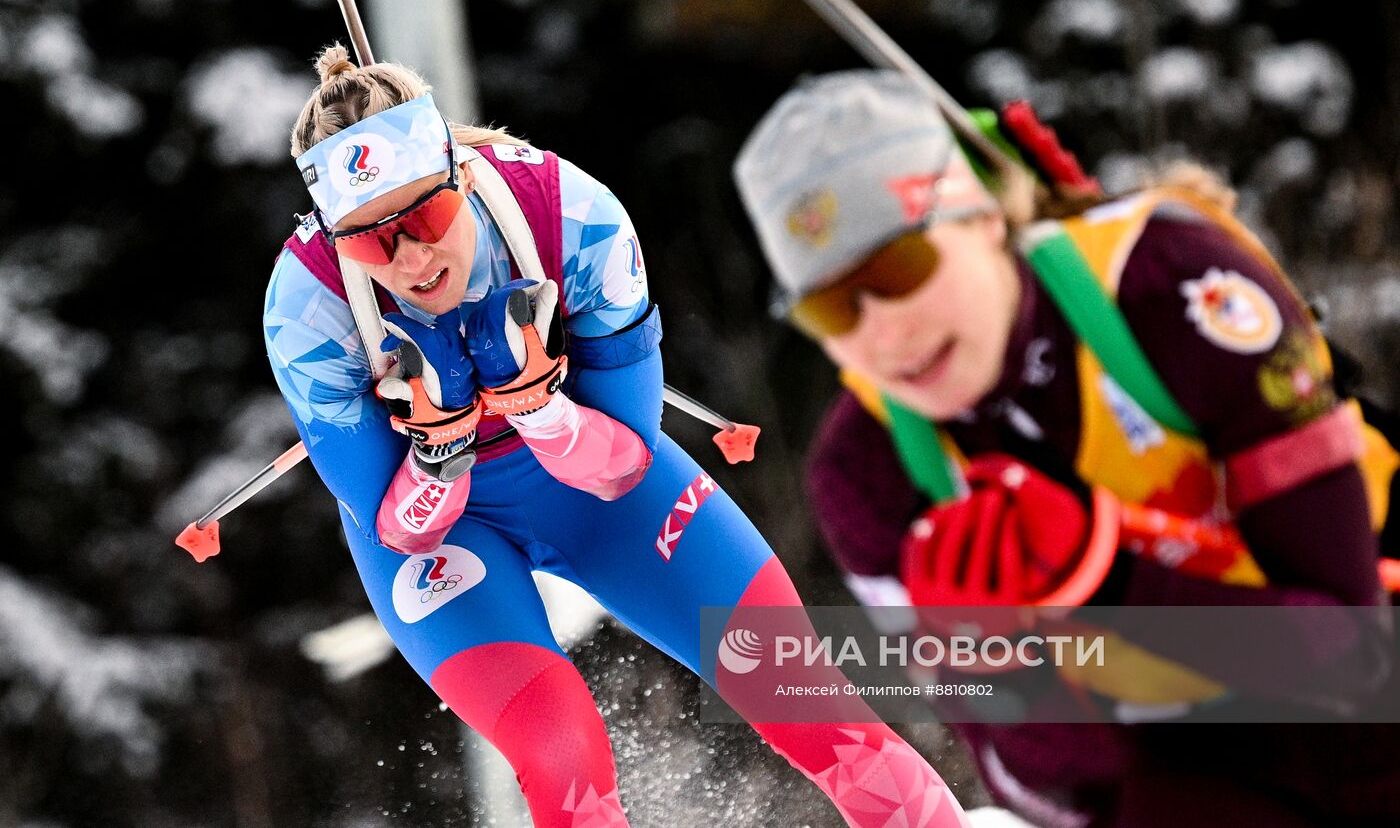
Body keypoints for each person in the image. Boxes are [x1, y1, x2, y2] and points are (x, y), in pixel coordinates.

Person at [262, 45, 973, 828]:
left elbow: (625, 460)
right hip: (445, 532)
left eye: (425, 216)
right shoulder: (308, 310)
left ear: (460, 172)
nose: (410, 257)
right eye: (369, 240)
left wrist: (540, 410)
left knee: (808, 696)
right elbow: (395, 524)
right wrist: (440, 448)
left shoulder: (573, 217)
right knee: (562, 754)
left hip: (596, 482)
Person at [732, 69, 1400, 828]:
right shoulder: (869, 472)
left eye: (899, 269)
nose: (882, 334)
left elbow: (1360, 661)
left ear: (982, 216)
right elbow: (1064, 798)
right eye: (830, 306)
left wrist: (1103, 574)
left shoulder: (1179, 291)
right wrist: (1002, 677)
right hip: (1199, 760)